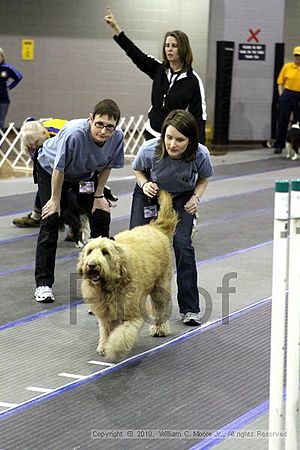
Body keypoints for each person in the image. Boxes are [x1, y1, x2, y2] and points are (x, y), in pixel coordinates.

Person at [34, 99, 124, 303]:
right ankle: (44, 284)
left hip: (84, 174)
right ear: (90, 119)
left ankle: (101, 283)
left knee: (101, 215)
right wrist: (55, 200)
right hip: (50, 169)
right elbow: (59, 168)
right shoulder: (75, 134)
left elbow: (108, 165)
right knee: (50, 220)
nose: (103, 131)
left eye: (109, 127)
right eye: (99, 124)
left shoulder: (117, 138)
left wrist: (99, 195)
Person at [130, 110, 213, 326]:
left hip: (182, 197)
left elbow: (203, 179)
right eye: (168, 137)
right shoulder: (150, 149)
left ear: (190, 141)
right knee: (134, 245)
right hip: (150, 192)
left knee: (182, 244)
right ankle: (123, 301)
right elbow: (138, 170)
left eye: (180, 140)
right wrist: (145, 184)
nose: (173, 144)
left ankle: (190, 309)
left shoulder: (201, 155)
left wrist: (196, 197)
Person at [104, 7, 207, 144]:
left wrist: (199, 150)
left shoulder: (193, 81)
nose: (169, 49)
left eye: (174, 46)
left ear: (183, 49)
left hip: (173, 138)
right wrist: (116, 29)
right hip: (151, 133)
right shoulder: (158, 69)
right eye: (167, 45)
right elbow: (136, 54)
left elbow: (199, 117)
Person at [273, 46, 300, 154]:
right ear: (294, 56)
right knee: (283, 120)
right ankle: (279, 144)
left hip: (299, 95)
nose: (298, 58)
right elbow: (280, 82)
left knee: (298, 122)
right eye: (297, 56)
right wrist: (281, 96)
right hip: (287, 93)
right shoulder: (287, 67)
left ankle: (296, 146)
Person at [0, 48, 23, 130]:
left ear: (2, 57)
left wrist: (9, 87)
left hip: (3, 99)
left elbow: (19, 76)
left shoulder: (7, 68)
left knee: (1, 121)